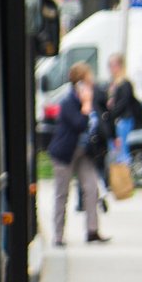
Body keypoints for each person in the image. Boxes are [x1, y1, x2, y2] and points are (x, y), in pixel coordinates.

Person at [49, 63, 110, 245]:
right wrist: (86, 105)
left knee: (91, 189)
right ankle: (58, 235)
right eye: (88, 78)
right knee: (62, 193)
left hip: (85, 152)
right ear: (79, 82)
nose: (91, 81)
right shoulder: (68, 102)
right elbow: (79, 124)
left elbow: (100, 121)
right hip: (65, 152)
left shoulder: (91, 99)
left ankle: (92, 230)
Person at [105, 53, 142, 162]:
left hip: (124, 119)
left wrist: (111, 113)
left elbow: (124, 103)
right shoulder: (112, 83)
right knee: (114, 149)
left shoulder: (125, 83)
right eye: (110, 65)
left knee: (122, 149)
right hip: (115, 120)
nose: (112, 69)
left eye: (114, 65)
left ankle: (124, 167)